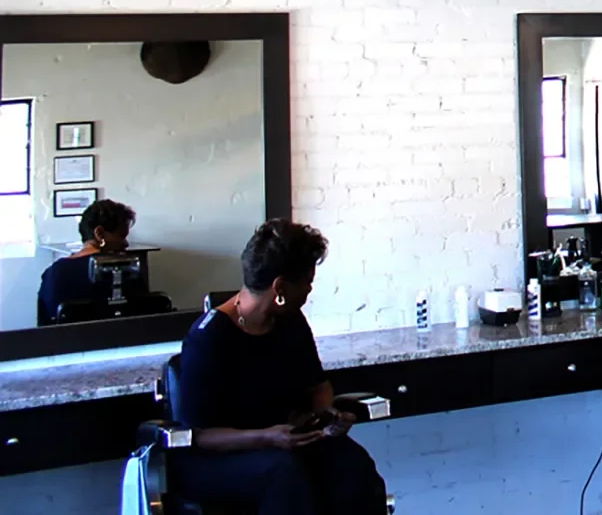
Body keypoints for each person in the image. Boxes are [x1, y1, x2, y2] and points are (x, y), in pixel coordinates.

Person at [169, 219, 386, 515]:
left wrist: (326, 415)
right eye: (307, 281)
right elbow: (200, 435)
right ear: (280, 287)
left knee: (351, 464)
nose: (310, 288)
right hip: (216, 456)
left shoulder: (290, 322)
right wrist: (267, 436)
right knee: (282, 472)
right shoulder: (209, 338)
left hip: (282, 441)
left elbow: (318, 386)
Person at [37, 197, 134, 325]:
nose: (125, 244)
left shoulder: (52, 273)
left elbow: (45, 325)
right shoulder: (125, 270)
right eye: (121, 236)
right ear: (100, 234)